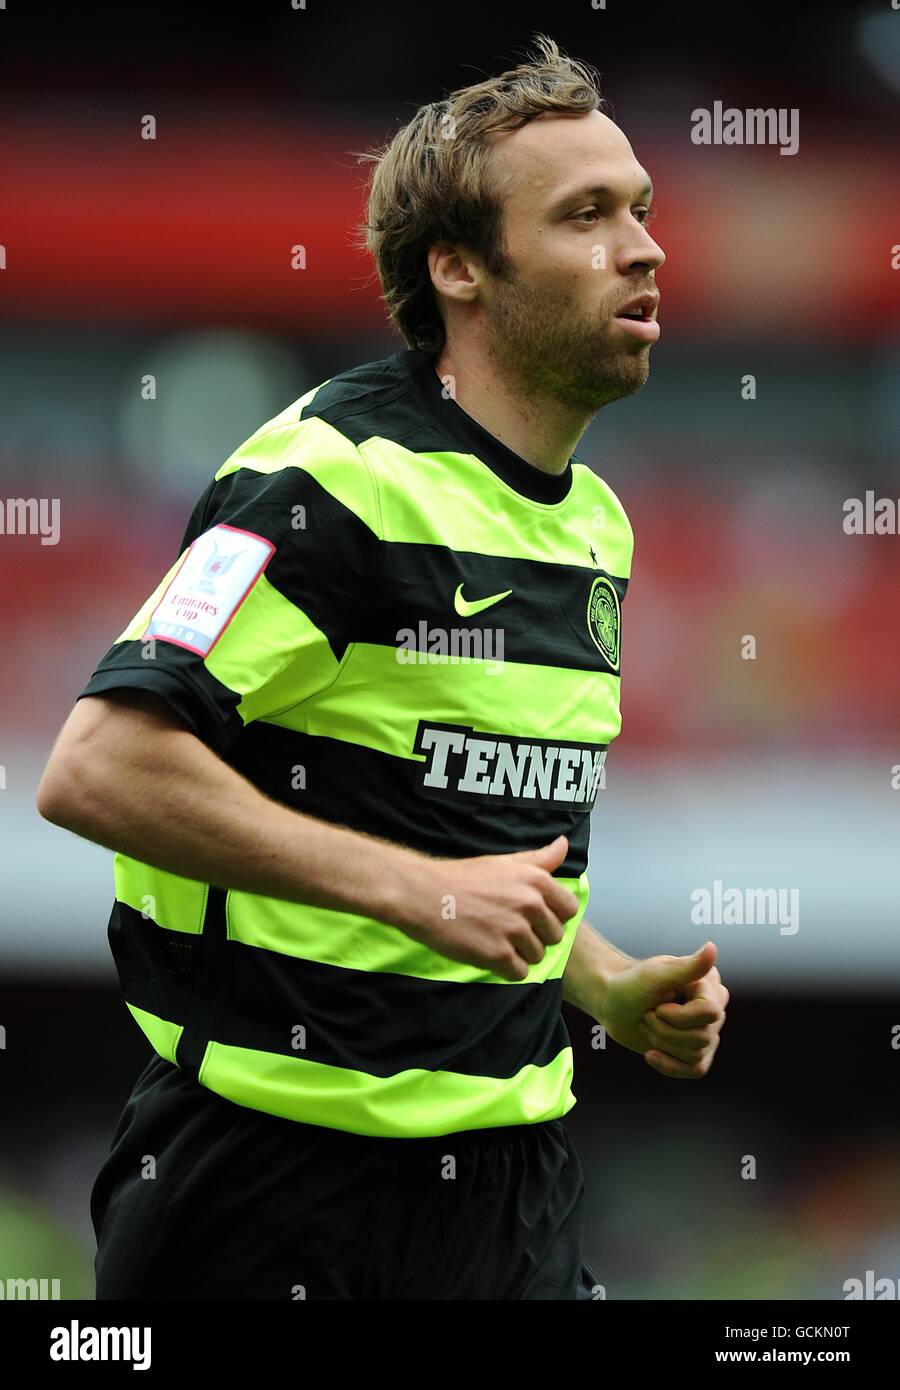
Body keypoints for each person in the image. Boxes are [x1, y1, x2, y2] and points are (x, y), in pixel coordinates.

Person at [36, 33, 728, 1300]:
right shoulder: (328, 480)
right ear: (459, 267)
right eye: (585, 216)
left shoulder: (595, 526)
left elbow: (463, 840)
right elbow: (99, 766)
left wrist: (607, 980)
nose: (642, 246)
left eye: (640, 209)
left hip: (510, 1185)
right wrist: (412, 890)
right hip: (269, 1189)